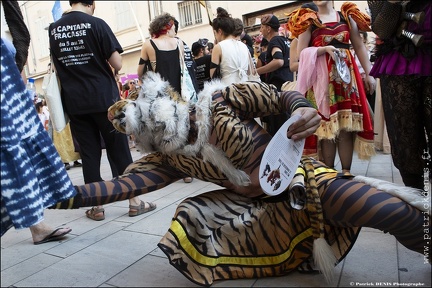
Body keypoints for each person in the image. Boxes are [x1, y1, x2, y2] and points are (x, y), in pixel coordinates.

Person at [50, 72, 429, 285]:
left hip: (303, 182)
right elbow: (117, 188)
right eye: (150, 128)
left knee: (392, 213)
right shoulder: (170, 160)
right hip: (260, 213)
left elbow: (281, 96)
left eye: (159, 114)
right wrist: (48, 197)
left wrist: (301, 110)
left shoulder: (223, 99)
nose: (161, 127)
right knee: (193, 214)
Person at [49, 0, 154, 221]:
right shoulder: (96, 23)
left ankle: (96, 205)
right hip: (103, 98)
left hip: (75, 100)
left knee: (89, 153)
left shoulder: (55, 29)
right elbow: (116, 63)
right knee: (118, 149)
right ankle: (134, 201)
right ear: (92, 3)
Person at [1, 0, 74, 244]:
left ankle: (38, 227)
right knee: (12, 159)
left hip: (11, 106)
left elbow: (20, 36)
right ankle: (38, 227)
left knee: (16, 160)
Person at [288, 1, 376, 173]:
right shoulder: (308, 20)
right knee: (326, 130)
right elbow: (301, 53)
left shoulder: (346, 16)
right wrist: (322, 50)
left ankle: (346, 173)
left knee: (346, 128)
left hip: (346, 81)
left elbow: (359, 46)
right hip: (322, 83)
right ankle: (328, 175)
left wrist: (369, 73)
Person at [367, 0, 431, 189]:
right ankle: (418, 208)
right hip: (399, 59)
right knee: (406, 144)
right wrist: (393, 3)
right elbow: (381, 30)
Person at [137, 12, 197, 183]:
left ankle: (167, 167)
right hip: (178, 91)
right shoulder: (180, 43)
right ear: (168, 27)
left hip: (160, 93)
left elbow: (140, 72)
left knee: (163, 129)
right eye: (174, 28)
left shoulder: (148, 44)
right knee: (183, 128)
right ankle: (186, 171)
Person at [256, 14, 294, 136]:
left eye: (262, 27)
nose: (260, 30)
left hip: (278, 87)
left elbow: (278, 61)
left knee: (280, 127)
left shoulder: (274, 41)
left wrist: (258, 71)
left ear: (268, 28)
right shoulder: (285, 40)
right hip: (288, 85)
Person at [209, 7, 252, 85]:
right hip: (246, 87)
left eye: (214, 33)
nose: (215, 36)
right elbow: (250, 71)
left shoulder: (218, 47)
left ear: (219, 31)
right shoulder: (243, 46)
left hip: (228, 89)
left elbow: (213, 75)